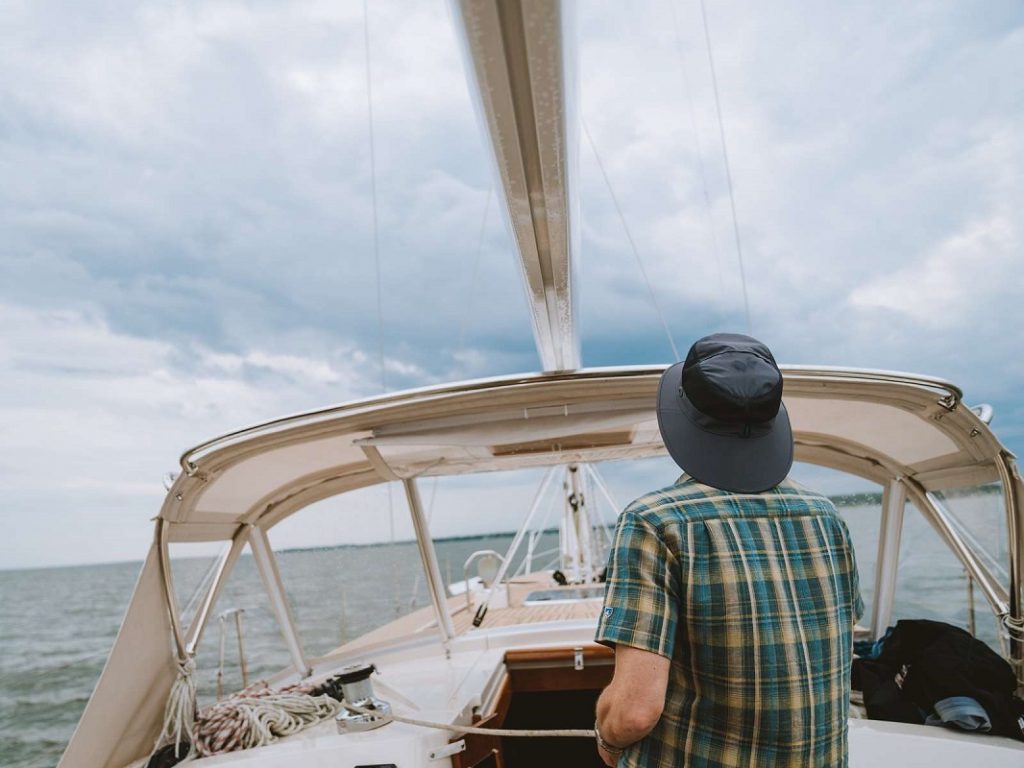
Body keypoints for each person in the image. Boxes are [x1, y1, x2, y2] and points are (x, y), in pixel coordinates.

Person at [594, 333, 863, 767]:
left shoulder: (655, 522)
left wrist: (606, 739)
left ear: (682, 420)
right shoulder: (827, 517)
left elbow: (633, 714)